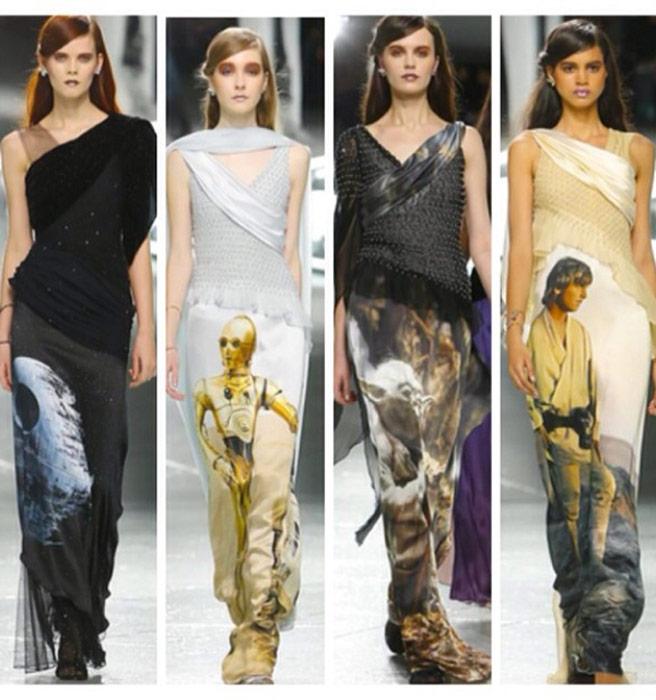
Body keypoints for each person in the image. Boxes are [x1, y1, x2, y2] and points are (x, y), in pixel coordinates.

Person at [333, 15, 491, 684]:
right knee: (399, 478)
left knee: (437, 480)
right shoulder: (356, 145)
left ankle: (404, 610)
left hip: (446, 323)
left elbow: (481, 238)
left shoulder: (463, 141)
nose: (408, 62)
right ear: (380, 63)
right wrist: (338, 347)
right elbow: (345, 248)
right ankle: (425, 634)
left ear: (435, 63)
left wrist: (507, 321)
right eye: (396, 51)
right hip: (374, 317)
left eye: (421, 52)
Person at [0, 15, 156, 681]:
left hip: (104, 323)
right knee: (52, 478)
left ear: (98, 64)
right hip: (38, 319)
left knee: (105, 482)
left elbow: (136, 243)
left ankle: (89, 606)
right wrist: (4, 329)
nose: (71, 68)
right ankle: (69, 622)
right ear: (44, 64)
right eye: (60, 57)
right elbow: (18, 241)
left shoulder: (131, 138)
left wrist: (147, 327)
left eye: (83, 56)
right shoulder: (18, 146)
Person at [506, 18, 656, 684]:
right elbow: (518, 244)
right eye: (570, 68)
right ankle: (578, 617)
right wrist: (513, 327)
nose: (583, 79)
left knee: (616, 479)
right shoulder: (529, 148)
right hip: (555, 324)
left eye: (593, 67)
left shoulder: (636, 150)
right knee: (567, 481)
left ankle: (603, 644)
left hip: (624, 320)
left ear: (606, 73)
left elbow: (641, 252)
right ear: (551, 75)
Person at [165, 26, 311, 685]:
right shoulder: (183, 157)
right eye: (229, 70)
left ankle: (261, 636)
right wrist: (169, 338)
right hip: (206, 326)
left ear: (265, 81)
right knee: (228, 485)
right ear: (213, 79)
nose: (241, 81)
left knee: (272, 482)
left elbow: (291, 256)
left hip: (279, 328)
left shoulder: (294, 157)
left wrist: (303, 328)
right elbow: (180, 253)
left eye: (252, 70)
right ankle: (241, 614)